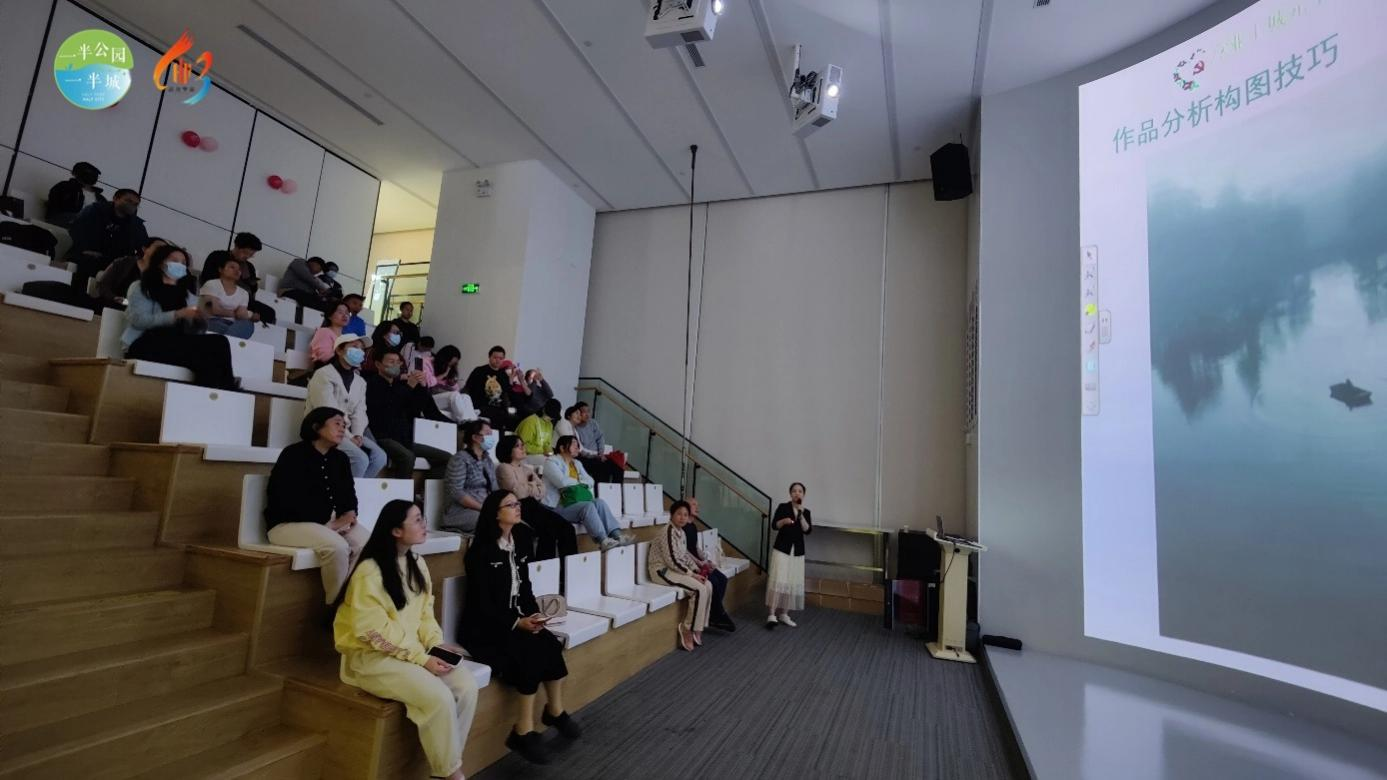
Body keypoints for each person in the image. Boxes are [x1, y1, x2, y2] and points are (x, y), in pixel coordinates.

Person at [333, 499, 478, 780]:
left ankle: (445, 767)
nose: (425, 524)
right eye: (417, 520)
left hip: (412, 653)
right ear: (396, 531)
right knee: (439, 697)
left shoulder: (417, 562)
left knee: (466, 686)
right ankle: (452, 774)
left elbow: (425, 612)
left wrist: (435, 643)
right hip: (373, 659)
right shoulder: (369, 571)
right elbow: (372, 632)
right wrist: (422, 658)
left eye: (423, 518)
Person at [460, 490, 579, 766]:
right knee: (528, 651)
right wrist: (516, 623)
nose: (518, 507)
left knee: (549, 642)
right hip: (484, 627)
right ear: (495, 513)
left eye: (517, 503)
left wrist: (534, 615)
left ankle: (554, 710)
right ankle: (522, 731)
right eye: (510, 504)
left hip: (516, 619)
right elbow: (482, 603)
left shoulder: (522, 540)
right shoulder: (480, 551)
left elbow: (525, 587)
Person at [265, 406, 367, 603]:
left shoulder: (340, 458)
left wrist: (350, 514)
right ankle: (335, 606)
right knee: (337, 547)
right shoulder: (293, 454)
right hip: (288, 524)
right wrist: (332, 525)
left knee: (368, 544)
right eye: (337, 424)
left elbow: (349, 493)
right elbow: (285, 500)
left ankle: (351, 601)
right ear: (316, 427)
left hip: (330, 523)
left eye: (345, 425)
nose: (342, 429)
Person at [122, 244, 238, 390]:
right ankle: (219, 392)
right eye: (174, 261)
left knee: (219, 342)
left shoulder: (187, 295)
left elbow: (195, 331)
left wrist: (199, 320)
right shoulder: (141, 287)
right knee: (209, 354)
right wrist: (177, 314)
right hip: (148, 342)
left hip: (178, 342)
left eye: (183, 263)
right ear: (160, 262)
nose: (180, 265)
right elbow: (139, 321)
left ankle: (221, 391)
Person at [306, 333, 387, 478]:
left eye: (362, 349)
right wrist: (350, 437)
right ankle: (347, 491)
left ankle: (357, 489)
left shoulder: (360, 382)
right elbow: (327, 411)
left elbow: (360, 411)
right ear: (339, 350)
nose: (359, 351)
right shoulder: (323, 374)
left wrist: (357, 434)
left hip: (348, 432)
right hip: (324, 429)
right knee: (360, 459)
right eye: (355, 347)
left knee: (380, 457)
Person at [366, 351, 454, 479]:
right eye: (391, 361)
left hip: (404, 439)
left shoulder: (399, 385)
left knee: (447, 457)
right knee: (407, 457)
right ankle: (401, 491)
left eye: (398, 362)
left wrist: (422, 386)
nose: (396, 365)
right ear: (378, 364)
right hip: (383, 437)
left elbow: (416, 408)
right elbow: (388, 408)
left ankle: (425, 488)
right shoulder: (372, 384)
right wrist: (409, 386)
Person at [496, 434, 577, 561]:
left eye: (523, 445)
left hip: (533, 504)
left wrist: (528, 486)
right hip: (517, 507)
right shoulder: (503, 468)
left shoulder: (526, 469)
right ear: (508, 449)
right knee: (548, 530)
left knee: (568, 529)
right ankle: (545, 567)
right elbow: (519, 493)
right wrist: (533, 485)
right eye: (518, 446)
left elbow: (542, 490)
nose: (523, 448)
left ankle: (568, 568)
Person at [542, 436, 629, 550]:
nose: (577, 447)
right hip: (556, 507)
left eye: (577, 444)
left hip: (574, 502)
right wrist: (581, 483)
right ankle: (603, 540)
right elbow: (562, 482)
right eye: (573, 444)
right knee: (588, 506)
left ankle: (617, 536)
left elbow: (590, 481)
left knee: (599, 502)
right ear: (562, 448)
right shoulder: (551, 462)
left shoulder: (577, 463)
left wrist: (576, 483)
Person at [648, 501, 714, 651]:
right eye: (679, 514)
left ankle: (698, 627)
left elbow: (684, 556)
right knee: (698, 589)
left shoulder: (681, 532)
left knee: (708, 585)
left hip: (676, 570)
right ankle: (686, 628)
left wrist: (697, 571)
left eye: (685, 514)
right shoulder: (667, 532)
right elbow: (671, 560)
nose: (682, 518)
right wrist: (692, 574)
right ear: (672, 515)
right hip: (661, 571)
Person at [68, 188, 148, 294]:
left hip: (116, 261)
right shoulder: (95, 210)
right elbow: (76, 229)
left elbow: (144, 247)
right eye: (128, 201)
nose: (132, 205)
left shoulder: (136, 225)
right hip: (87, 254)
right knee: (89, 263)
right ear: (115, 198)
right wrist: (85, 249)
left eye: (136, 204)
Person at [684, 497, 736, 632]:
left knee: (722, 579)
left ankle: (713, 614)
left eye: (697, 504)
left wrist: (706, 560)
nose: (697, 507)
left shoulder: (693, 526)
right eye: (693, 504)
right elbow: (684, 550)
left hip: (699, 562)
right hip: (690, 564)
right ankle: (717, 614)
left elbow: (695, 548)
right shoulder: (682, 527)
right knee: (714, 581)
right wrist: (699, 563)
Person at [766, 481, 812, 629]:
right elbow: (774, 525)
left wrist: (801, 515)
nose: (797, 493)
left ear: (803, 495)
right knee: (778, 579)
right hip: (782, 549)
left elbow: (807, 530)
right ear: (790, 494)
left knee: (791, 582)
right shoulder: (783, 507)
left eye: (800, 491)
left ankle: (784, 614)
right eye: (794, 491)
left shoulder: (806, 512)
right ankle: (771, 614)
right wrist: (783, 521)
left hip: (797, 551)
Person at [443, 420, 498, 533]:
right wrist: (483, 508)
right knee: (492, 521)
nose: (491, 437)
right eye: (487, 433)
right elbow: (456, 492)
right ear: (475, 437)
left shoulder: (487, 460)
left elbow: (494, 488)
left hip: (485, 509)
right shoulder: (460, 459)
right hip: (462, 511)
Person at [95, 235, 164, 310]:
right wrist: (114, 297)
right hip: (111, 308)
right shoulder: (123, 263)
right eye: (158, 248)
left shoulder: (161, 276)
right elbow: (102, 285)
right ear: (145, 249)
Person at [198, 255, 258, 337]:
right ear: (221, 269)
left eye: (239, 269)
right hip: (211, 320)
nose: (237, 271)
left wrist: (241, 315)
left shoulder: (244, 293)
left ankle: (225, 338)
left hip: (233, 324)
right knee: (219, 326)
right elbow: (214, 310)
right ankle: (228, 339)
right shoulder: (212, 284)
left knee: (248, 324)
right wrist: (240, 314)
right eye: (232, 267)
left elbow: (241, 314)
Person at [568, 402, 623, 483]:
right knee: (601, 467)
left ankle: (616, 489)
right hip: (585, 457)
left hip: (597, 455)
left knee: (617, 467)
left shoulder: (593, 423)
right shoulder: (575, 428)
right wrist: (596, 456)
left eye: (588, 411)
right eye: (584, 412)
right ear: (578, 413)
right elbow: (581, 450)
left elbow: (600, 438)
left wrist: (601, 453)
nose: (587, 414)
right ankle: (600, 489)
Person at [463, 346, 515, 431]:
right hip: (480, 408)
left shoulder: (504, 376)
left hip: (498, 412)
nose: (498, 360)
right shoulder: (479, 371)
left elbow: (506, 394)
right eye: (495, 357)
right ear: (489, 357)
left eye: (501, 358)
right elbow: (467, 388)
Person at [427, 345, 477, 423]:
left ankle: (473, 422)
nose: (449, 366)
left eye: (452, 364)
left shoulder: (451, 368)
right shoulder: (428, 362)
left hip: (446, 398)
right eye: (449, 363)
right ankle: (467, 421)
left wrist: (452, 384)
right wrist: (443, 375)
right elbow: (427, 383)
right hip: (430, 398)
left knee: (465, 396)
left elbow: (457, 391)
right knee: (454, 395)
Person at [45, 160, 104, 226]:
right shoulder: (65, 186)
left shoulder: (100, 198)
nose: (92, 177)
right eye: (88, 173)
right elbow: (55, 206)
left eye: (94, 175)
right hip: (64, 222)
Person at [309, 301, 351, 367]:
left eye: (347, 312)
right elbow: (324, 356)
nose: (345, 315)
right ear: (330, 316)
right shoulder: (324, 332)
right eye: (340, 312)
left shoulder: (346, 338)